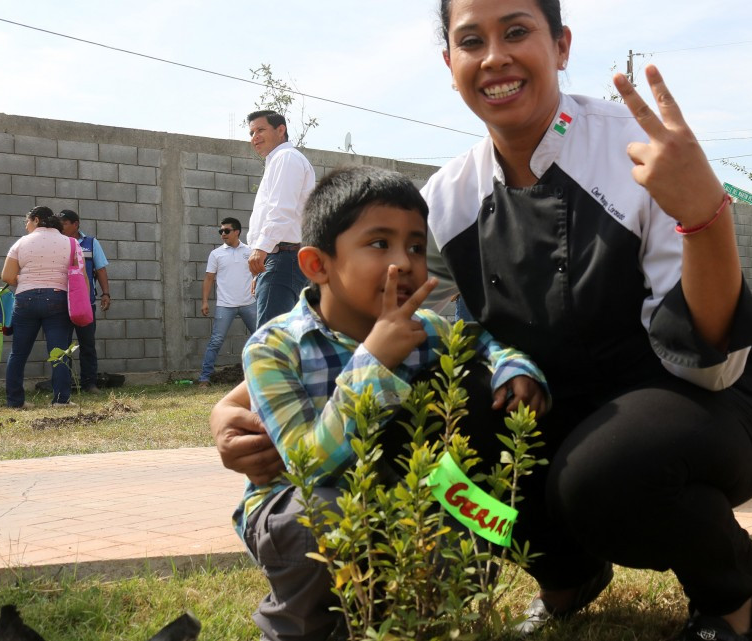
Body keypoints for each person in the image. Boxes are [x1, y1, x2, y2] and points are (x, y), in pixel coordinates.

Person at [213, 2, 752, 640]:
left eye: (516, 31)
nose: (495, 57)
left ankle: (726, 595)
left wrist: (706, 215)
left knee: (605, 474)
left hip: (702, 399)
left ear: (561, 45)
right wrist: (230, 408)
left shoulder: (638, 157)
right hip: (556, 401)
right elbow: (357, 326)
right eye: (472, 40)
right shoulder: (448, 198)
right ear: (450, 63)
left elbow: (711, 364)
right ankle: (566, 572)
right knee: (423, 437)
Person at [234, 165, 549, 641]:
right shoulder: (274, 348)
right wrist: (374, 360)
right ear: (318, 264)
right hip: (300, 506)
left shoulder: (427, 328)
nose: (404, 262)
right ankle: (296, 628)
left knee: (468, 516)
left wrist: (514, 368)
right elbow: (307, 465)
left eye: (417, 246)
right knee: (317, 517)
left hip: (404, 496)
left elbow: (482, 340)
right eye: (380, 244)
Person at [1, 206, 84, 408]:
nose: (26, 225)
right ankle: (61, 400)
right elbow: (79, 277)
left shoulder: (21, 242)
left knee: (18, 353)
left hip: (25, 299)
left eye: (27, 221)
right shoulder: (72, 243)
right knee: (59, 352)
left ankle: (15, 402)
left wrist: (28, 278)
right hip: (57, 298)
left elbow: (7, 277)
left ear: (36, 220)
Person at [245, 109, 316, 326]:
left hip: (282, 257)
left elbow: (281, 209)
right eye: (251, 133)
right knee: (286, 337)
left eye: (260, 130)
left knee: (270, 340)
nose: (254, 137)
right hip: (280, 258)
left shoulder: (286, 158)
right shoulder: (280, 160)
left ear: (281, 130)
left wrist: (262, 249)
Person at [197, 217, 258, 387]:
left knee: (262, 338)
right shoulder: (216, 254)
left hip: (249, 303)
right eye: (221, 231)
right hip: (225, 305)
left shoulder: (250, 251)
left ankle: (265, 375)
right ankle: (204, 378)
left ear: (237, 232)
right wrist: (204, 302)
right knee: (216, 340)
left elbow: (259, 274)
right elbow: (209, 278)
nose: (223, 234)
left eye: (226, 231)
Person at [57, 209, 111, 392]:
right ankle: (63, 383)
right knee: (62, 345)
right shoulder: (57, 243)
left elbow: (101, 269)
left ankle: (89, 383)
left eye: (64, 223)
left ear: (76, 224)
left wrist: (106, 294)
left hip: (85, 304)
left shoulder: (90, 243)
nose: (61, 226)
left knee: (87, 344)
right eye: (60, 223)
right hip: (62, 303)